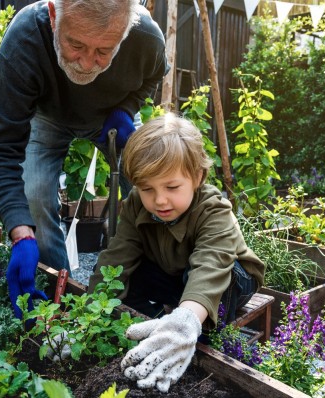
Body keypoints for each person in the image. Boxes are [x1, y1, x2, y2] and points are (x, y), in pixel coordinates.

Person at [0, 0, 168, 319]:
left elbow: (153, 76)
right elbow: (0, 147)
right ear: (54, 15)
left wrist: (127, 109)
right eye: (75, 44)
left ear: (124, 32)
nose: (86, 63)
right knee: (34, 198)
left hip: (110, 116)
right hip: (47, 117)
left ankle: (153, 285)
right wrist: (20, 232)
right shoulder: (26, 38)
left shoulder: (145, 37)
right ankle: (57, 295)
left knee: (153, 184)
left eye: (104, 51)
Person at [88, 113, 265, 392]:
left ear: (197, 177)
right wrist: (89, 315)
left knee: (219, 277)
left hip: (229, 278)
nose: (159, 200)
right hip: (173, 272)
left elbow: (211, 264)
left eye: (172, 187)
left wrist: (187, 321)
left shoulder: (213, 208)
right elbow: (117, 256)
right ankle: (156, 324)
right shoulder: (136, 204)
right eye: (147, 189)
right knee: (123, 273)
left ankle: (198, 336)